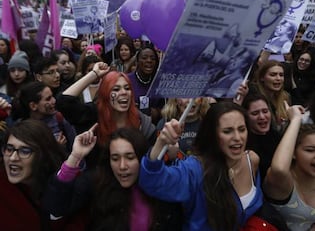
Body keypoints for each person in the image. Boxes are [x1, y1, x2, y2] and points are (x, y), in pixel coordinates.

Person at [139, 102, 263, 231]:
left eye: (242, 129)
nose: (238, 138)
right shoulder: (196, 169)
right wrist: (161, 142)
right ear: (213, 135)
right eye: (227, 131)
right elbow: (152, 181)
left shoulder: (252, 160)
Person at [43, 126, 182, 230]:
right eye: (115, 158)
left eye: (130, 157)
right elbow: (55, 209)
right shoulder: (97, 183)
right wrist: (75, 157)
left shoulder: (160, 188)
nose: (122, 166)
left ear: (141, 158)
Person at [56, 61, 156, 164]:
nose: (123, 92)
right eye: (116, 89)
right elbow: (63, 101)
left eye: (127, 88)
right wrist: (94, 74)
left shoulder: (142, 122)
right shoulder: (94, 116)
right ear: (106, 94)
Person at [264, 102, 315, 231]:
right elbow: (279, 168)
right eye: (310, 150)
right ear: (293, 154)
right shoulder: (283, 182)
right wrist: (296, 119)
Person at [0, 119, 82, 230]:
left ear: (43, 155)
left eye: (24, 151)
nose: (13, 158)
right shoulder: (3, 187)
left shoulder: (71, 184)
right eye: (9, 149)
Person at [10, 81, 77, 153]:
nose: (54, 101)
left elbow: (75, 147)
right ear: (33, 106)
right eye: (48, 99)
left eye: (52, 96)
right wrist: (55, 149)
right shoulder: (21, 130)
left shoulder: (59, 118)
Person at [242, 93, 283, 183]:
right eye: (255, 113)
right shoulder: (243, 144)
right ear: (246, 117)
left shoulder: (278, 137)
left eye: (265, 111)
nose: (262, 117)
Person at [248, 60, 291, 131]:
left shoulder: (286, 97)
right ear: (262, 78)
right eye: (273, 75)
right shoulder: (254, 97)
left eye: (281, 75)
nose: (278, 78)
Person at [127, 44, 164, 124]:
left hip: (154, 128)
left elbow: (166, 109)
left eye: (153, 58)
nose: (149, 61)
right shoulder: (127, 80)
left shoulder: (159, 82)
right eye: (144, 58)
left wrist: (155, 112)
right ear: (137, 62)